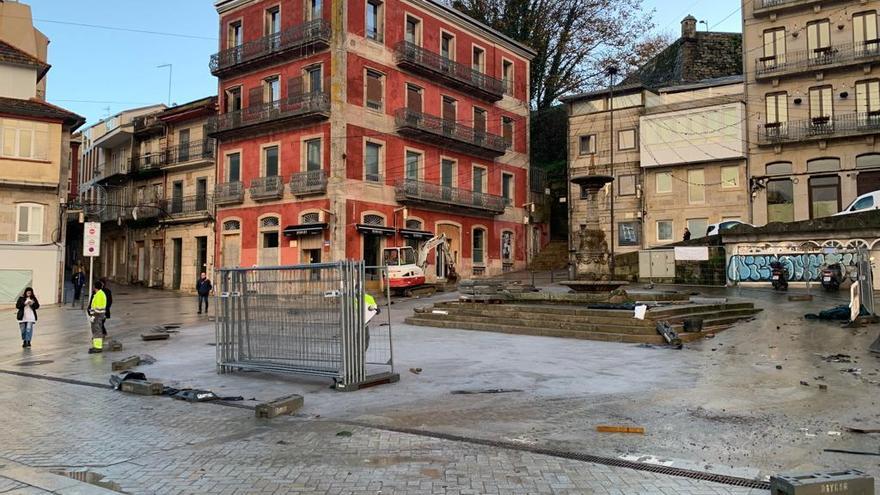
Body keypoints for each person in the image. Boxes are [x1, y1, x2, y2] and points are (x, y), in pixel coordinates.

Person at [88, 281, 108, 354]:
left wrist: (93, 315)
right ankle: (96, 346)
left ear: (95, 287)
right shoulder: (98, 294)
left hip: (97, 316)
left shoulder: (99, 295)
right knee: (96, 331)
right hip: (97, 315)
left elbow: (98, 308)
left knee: (97, 331)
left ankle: (98, 347)